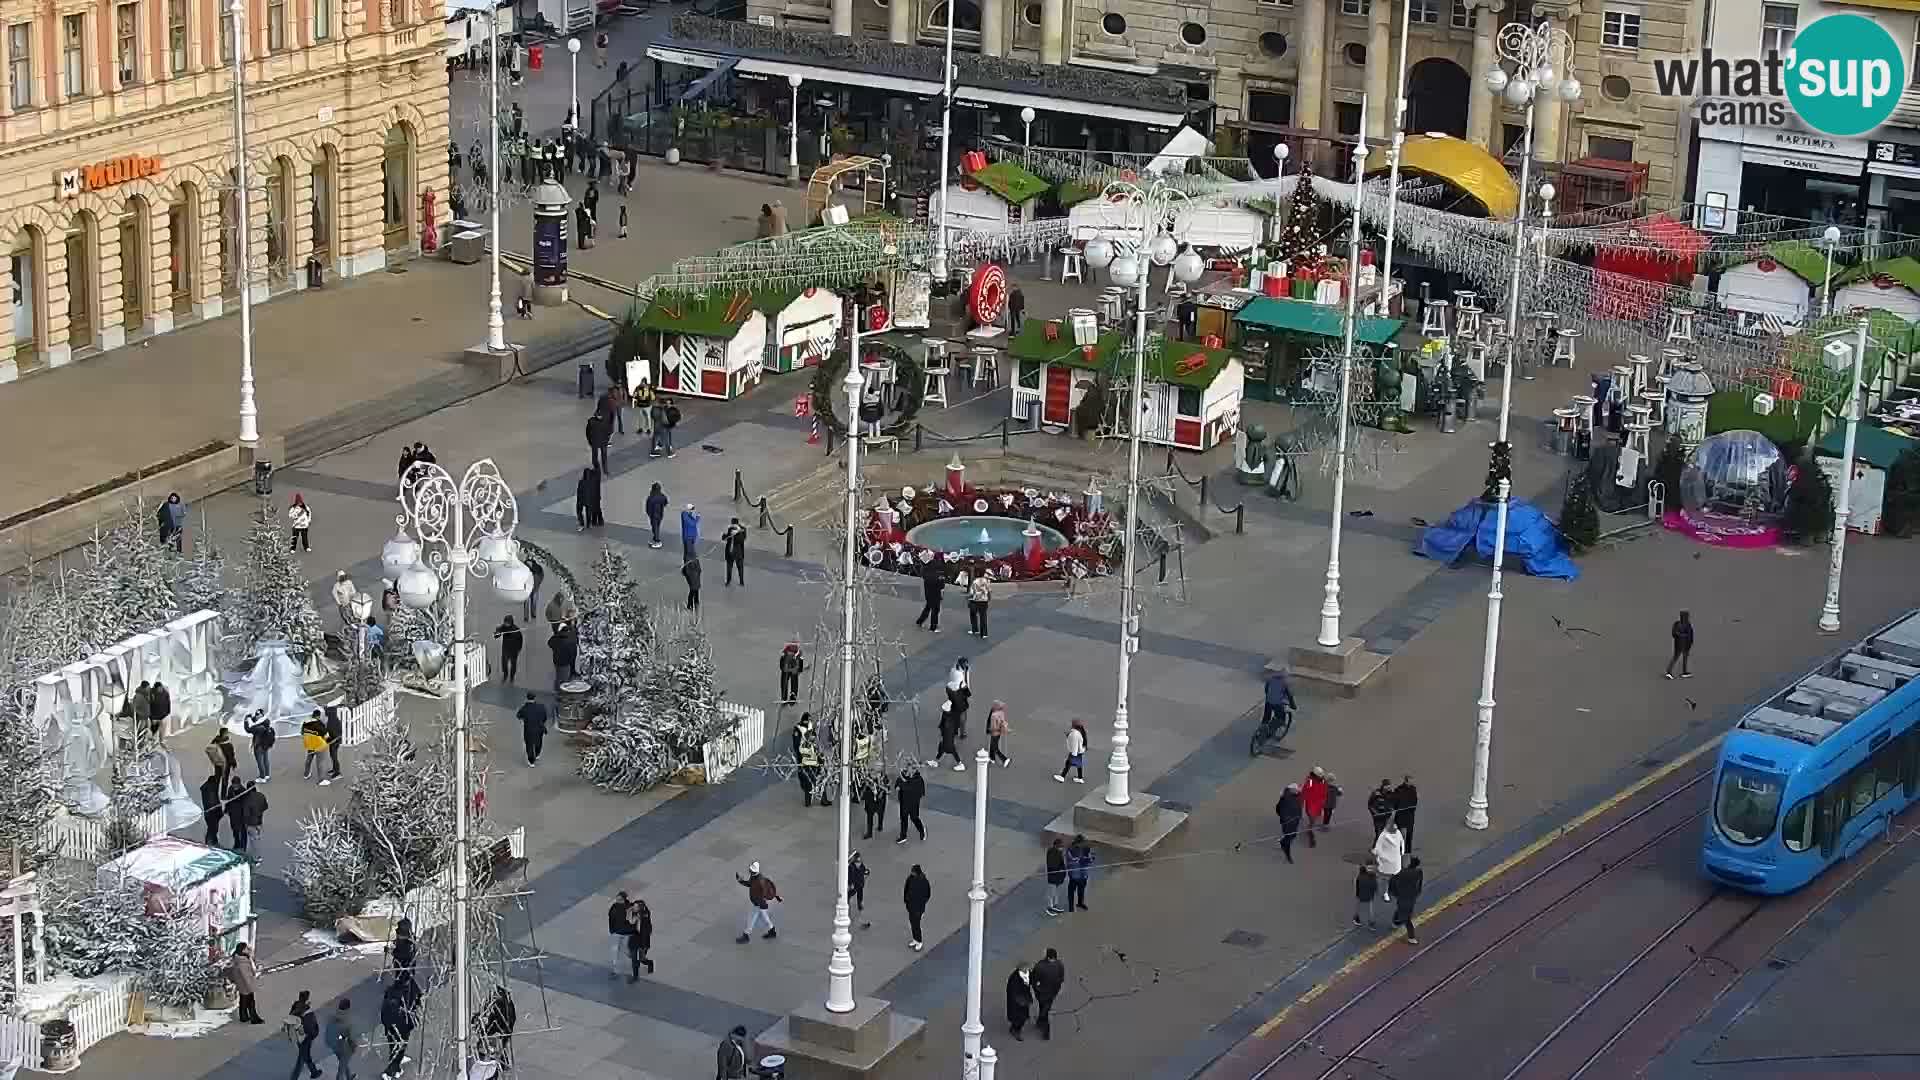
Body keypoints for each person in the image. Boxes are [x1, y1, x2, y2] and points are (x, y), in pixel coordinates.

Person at [735, 861, 782, 942]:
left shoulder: (760, 881)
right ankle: (772, 931)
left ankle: (746, 935)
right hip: (759, 903)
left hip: (758, 904)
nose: (750, 871)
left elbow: (766, 891)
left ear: (754, 871)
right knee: (765, 918)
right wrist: (741, 881)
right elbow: (750, 884)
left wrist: (763, 903)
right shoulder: (754, 877)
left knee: (751, 919)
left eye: (751, 870)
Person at [379, 979, 416, 1079]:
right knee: (399, 1047)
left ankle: (396, 1066)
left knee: (394, 1047)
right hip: (400, 1029)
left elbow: (383, 1016)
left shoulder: (389, 997)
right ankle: (390, 1072)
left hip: (392, 1029)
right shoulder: (407, 994)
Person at [1030, 948, 1065, 1040]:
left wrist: (1036, 989)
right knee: (1046, 1007)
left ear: (1047, 956)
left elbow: (1033, 979)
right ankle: (1040, 1021)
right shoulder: (1059, 965)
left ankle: (1045, 1029)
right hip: (1053, 992)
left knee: (1044, 1010)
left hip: (1042, 992)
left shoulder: (1040, 966)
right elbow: (1061, 978)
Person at [289, 990, 323, 1080]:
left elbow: (290, 1017)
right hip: (306, 1037)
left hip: (298, 1036)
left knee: (305, 1055)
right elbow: (310, 1027)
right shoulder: (307, 1011)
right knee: (302, 1059)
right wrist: (314, 1033)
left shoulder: (296, 1005)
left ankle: (314, 1071)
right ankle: (294, 1078)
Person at [477, 987, 516, 1066]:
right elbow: (490, 1013)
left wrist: (504, 1032)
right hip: (497, 1025)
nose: (494, 995)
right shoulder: (497, 1002)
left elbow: (511, 1019)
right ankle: (497, 1060)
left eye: (497, 994)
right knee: (484, 1036)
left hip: (503, 1028)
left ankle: (502, 1063)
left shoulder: (507, 1005)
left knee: (500, 1046)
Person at [791, 713, 822, 807]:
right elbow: (796, 745)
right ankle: (808, 799)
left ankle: (821, 799)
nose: (809, 722)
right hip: (804, 757)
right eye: (808, 720)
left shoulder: (809, 726)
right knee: (806, 778)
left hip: (812, 756)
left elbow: (814, 738)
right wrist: (800, 757)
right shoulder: (798, 729)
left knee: (819, 777)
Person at [1391, 856, 1424, 944]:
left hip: (1402, 895)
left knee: (1403, 910)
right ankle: (1411, 936)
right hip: (1412, 896)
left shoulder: (1402, 872)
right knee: (1407, 916)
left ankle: (1395, 921)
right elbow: (1419, 884)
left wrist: (1394, 892)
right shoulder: (1419, 872)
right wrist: (1417, 892)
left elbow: (1393, 880)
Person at [1372, 818, 1406, 902]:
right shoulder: (1398, 833)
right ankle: (1393, 891)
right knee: (1393, 877)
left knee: (1384, 878)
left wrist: (1375, 852)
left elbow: (1378, 848)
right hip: (1395, 863)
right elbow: (1402, 844)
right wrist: (1402, 852)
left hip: (1386, 863)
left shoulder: (1383, 835)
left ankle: (1386, 893)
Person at [229, 942, 262, 1023]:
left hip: (242, 984)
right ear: (243, 950)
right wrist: (250, 986)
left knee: (244, 1001)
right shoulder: (242, 961)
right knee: (251, 1003)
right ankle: (254, 1019)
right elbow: (246, 976)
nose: (248, 949)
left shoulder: (239, 958)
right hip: (246, 985)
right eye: (246, 948)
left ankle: (244, 1017)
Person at [325, 998, 357, 1080]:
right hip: (339, 1045)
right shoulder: (346, 1020)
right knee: (342, 1067)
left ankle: (349, 1076)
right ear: (348, 1008)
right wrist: (353, 1046)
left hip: (331, 1042)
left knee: (343, 1061)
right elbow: (350, 1037)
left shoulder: (333, 1015)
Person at [232, 780, 266, 852]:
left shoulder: (247, 798)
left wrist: (245, 823)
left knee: (253, 840)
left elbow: (246, 813)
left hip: (250, 823)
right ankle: (257, 853)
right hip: (259, 821)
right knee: (257, 838)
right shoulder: (261, 795)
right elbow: (265, 806)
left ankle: (256, 856)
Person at [903, 864, 931, 951]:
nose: (912, 873)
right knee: (912, 923)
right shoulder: (910, 878)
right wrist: (906, 900)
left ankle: (919, 941)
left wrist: (921, 903)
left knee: (916, 924)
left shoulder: (923, 881)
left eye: (913, 872)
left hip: (918, 908)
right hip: (911, 906)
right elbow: (906, 889)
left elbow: (927, 894)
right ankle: (915, 939)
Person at [625, 896, 654, 980]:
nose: (633, 907)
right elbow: (630, 922)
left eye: (635, 907)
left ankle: (650, 964)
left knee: (641, 959)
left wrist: (644, 946)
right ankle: (635, 976)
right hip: (634, 938)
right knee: (634, 958)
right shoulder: (635, 913)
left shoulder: (645, 918)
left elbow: (647, 932)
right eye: (634, 906)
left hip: (642, 940)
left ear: (640, 909)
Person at [895, 765, 926, 843]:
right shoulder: (904, 775)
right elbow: (898, 784)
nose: (906, 770)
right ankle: (903, 836)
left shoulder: (918, 779)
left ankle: (922, 831)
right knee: (903, 819)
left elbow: (908, 787)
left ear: (914, 770)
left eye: (908, 769)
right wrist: (898, 786)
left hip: (913, 803)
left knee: (914, 818)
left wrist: (902, 781)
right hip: (904, 802)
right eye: (907, 768)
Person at [1300, 768, 1331, 848]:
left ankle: (1310, 827)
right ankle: (1310, 830)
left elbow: (1325, 789)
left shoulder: (1323, 781)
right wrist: (1301, 801)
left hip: (1319, 803)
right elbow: (1305, 791)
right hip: (1311, 803)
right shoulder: (1310, 781)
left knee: (1315, 817)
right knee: (1312, 817)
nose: (1321, 778)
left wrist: (1324, 799)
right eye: (1319, 776)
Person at [929, 701, 963, 771]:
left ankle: (960, 764)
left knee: (950, 749)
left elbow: (947, 727)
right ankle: (935, 761)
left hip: (948, 736)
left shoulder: (950, 718)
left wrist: (944, 735)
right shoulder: (948, 714)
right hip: (948, 735)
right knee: (943, 748)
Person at [1275, 782, 1304, 864]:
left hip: (1295, 820)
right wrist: (1286, 819)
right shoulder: (1284, 799)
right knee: (1288, 839)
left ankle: (1282, 842)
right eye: (1296, 790)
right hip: (1287, 822)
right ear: (1291, 790)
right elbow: (1278, 810)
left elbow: (1298, 807)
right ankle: (1288, 855)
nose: (1298, 791)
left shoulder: (1296, 796)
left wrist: (1298, 816)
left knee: (1294, 835)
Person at [517, 692, 548, 767]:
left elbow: (518, 716)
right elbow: (545, 717)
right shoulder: (541, 706)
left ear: (527, 698)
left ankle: (531, 761)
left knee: (529, 745)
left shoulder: (525, 708)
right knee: (539, 741)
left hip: (529, 729)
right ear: (534, 697)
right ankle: (537, 754)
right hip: (539, 728)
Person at [607, 890, 635, 975]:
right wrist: (611, 930)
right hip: (616, 932)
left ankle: (632, 956)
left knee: (625, 949)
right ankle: (615, 969)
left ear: (623, 899)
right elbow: (610, 918)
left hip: (626, 932)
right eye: (617, 898)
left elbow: (634, 919)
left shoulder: (630, 907)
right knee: (614, 950)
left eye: (619, 898)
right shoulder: (614, 906)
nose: (617, 899)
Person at [914, 559, 945, 632]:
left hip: (928, 593)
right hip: (936, 594)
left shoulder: (926, 573)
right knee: (935, 609)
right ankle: (933, 627)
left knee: (928, 607)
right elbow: (941, 585)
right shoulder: (939, 574)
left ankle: (920, 621)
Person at [1065, 834, 1094, 911]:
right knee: (1071, 891)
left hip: (1083, 874)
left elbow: (1089, 859)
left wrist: (1090, 859)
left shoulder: (1086, 848)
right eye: (1082, 842)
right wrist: (1079, 860)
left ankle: (1080, 903)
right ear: (1077, 842)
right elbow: (1069, 861)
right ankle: (1071, 907)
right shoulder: (1070, 849)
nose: (1083, 844)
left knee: (1081, 890)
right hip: (1074, 875)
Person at [245, 710, 275, 782]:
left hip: (259, 745)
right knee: (265, 760)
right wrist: (251, 718)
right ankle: (267, 775)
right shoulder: (266, 722)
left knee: (260, 762)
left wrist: (246, 721)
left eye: (258, 715)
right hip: (266, 745)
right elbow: (254, 723)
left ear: (261, 715)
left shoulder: (259, 727)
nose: (256, 716)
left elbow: (248, 729)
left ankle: (262, 777)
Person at [1055, 719, 1088, 783]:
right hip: (1079, 751)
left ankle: (1062, 776)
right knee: (1079, 765)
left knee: (1068, 763)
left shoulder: (1075, 734)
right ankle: (1080, 778)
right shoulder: (1079, 732)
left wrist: (1073, 754)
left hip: (1075, 752)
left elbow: (1075, 744)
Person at [1005, 965, 1033, 1041]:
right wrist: (1019, 1000)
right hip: (1017, 1002)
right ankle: (1015, 1030)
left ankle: (1015, 1028)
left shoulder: (1028, 974)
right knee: (1018, 1018)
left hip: (1024, 999)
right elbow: (1012, 991)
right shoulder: (1014, 978)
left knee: (1023, 1017)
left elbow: (1032, 980)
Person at [1392, 774, 1419, 853]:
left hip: (1410, 817)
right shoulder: (1399, 790)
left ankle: (1407, 856)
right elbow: (1395, 803)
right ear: (1406, 780)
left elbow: (1415, 802)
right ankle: (1399, 855)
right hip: (1401, 817)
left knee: (1409, 836)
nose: (1412, 782)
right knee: (1401, 837)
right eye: (1410, 780)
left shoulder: (1413, 789)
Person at [946, 658, 972, 738]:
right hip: (959, 694)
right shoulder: (958, 674)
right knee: (962, 713)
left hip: (952, 692)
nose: (967, 665)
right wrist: (967, 692)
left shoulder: (955, 669)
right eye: (965, 664)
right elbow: (962, 685)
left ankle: (954, 729)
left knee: (955, 711)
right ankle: (962, 732)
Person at [302, 711, 330, 783]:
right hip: (319, 745)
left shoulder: (305, 722)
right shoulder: (319, 724)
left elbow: (302, 732)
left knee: (309, 759)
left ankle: (306, 774)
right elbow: (326, 735)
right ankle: (321, 779)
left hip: (309, 744)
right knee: (320, 762)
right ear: (318, 716)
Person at [1353, 859, 1381, 930]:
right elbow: (1374, 885)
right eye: (1369, 868)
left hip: (1364, 893)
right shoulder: (1371, 875)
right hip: (1364, 893)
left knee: (1365, 908)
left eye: (1371, 868)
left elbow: (1357, 882)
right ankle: (1368, 922)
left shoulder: (1368, 874)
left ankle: (1360, 919)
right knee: (1365, 908)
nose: (1370, 869)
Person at [1666, 610, 1694, 679]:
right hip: (1685, 645)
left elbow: (1674, 634)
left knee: (1676, 657)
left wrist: (1679, 636)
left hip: (1677, 644)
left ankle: (1669, 672)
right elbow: (1690, 636)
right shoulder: (1688, 625)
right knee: (1684, 658)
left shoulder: (1676, 624)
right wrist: (1690, 642)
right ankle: (1684, 672)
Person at [549, 621, 578, 687]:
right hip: (565, 663)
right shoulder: (569, 639)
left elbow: (550, 643)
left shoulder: (556, 638)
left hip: (558, 662)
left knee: (559, 678)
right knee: (563, 680)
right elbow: (573, 652)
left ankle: (558, 692)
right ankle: (561, 694)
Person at [1043, 837, 1068, 915]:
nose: (1062, 847)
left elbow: (1061, 863)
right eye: (1060, 846)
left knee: (1055, 893)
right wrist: (1059, 869)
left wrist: (1063, 871)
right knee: (1051, 893)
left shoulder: (1059, 852)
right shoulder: (1051, 852)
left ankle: (1054, 906)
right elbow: (1052, 865)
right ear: (1056, 845)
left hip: (1058, 877)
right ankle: (1049, 908)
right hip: (1053, 876)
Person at [497, 616, 523, 684]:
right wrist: (497, 631)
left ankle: (512, 676)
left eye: (507, 623)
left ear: (511, 622)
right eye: (505, 622)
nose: (506, 624)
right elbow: (496, 635)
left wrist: (519, 648)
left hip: (514, 650)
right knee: (504, 663)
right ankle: (505, 674)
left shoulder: (516, 629)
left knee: (513, 664)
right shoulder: (503, 627)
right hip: (505, 649)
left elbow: (520, 640)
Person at [722, 518, 747, 586]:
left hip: (738, 552)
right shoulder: (730, 528)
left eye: (734, 525)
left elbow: (742, 540)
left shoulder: (743, 529)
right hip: (729, 551)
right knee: (729, 568)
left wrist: (738, 532)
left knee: (740, 567)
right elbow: (724, 538)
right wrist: (725, 534)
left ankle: (741, 581)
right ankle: (728, 581)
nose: (733, 526)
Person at [986, 700, 1011, 766]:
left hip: (995, 733)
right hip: (999, 732)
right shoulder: (1001, 712)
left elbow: (993, 727)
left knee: (995, 747)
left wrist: (989, 729)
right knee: (992, 745)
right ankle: (992, 758)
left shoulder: (993, 715)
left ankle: (1004, 759)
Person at [967, 572, 992, 637]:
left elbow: (971, 592)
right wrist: (989, 598)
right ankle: (984, 633)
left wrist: (969, 598)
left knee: (973, 614)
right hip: (984, 600)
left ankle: (975, 629)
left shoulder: (974, 581)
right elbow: (989, 590)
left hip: (976, 600)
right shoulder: (986, 581)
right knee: (983, 616)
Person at [324, 706, 345, 784]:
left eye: (327, 712)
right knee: (332, 755)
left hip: (335, 742)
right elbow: (328, 730)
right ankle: (334, 769)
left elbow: (339, 733)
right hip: (332, 740)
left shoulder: (335, 721)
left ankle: (338, 773)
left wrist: (332, 741)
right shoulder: (331, 720)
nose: (326, 713)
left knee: (334, 756)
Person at [645, 483, 668, 548]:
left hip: (653, 515)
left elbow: (648, 508)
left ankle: (657, 541)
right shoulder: (662, 496)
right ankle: (655, 538)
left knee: (655, 527)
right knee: (657, 526)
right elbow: (665, 503)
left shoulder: (651, 498)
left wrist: (649, 514)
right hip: (660, 514)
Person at [524, 557, 545, 622]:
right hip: (535, 585)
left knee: (527, 601)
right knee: (534, 599)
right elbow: (542, 575)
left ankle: (526, 616)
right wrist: (538, 584)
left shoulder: (524, 567)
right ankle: (533, 614)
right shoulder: (539, 568)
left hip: (528, 586)